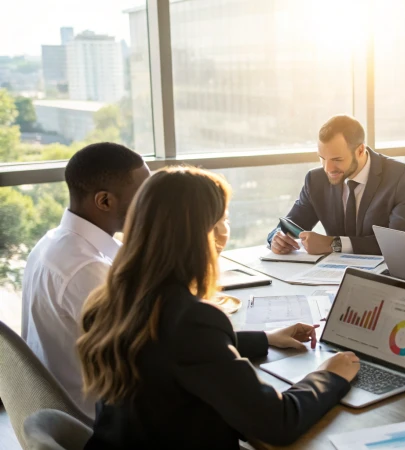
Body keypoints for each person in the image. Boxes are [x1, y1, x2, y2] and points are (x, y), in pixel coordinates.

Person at [77, 167, 360, 449]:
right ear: (203, 233)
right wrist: (329, 375)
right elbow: (277, 423)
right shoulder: (191, 319)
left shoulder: (114, 299)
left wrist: (265, 338)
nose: (226, 229)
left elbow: (166, 349)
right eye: (223, 219)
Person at [20, 142, 150, 417]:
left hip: (58, 409)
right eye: (143, 197)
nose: (150, 206)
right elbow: (150, 349)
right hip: (93, 420)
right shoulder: (87, 269)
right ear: (104, 201)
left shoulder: (52, 243)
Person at [268, 115, 405, 255]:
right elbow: (290, 225)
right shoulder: (315, 180)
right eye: (322, 158)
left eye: (337, 159)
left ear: (360, 150)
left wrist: (334, 244)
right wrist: (276, 238)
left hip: (383, 277)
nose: (328, 169)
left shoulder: (403, 178)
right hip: (329, 277)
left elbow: (402, 244)